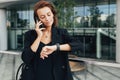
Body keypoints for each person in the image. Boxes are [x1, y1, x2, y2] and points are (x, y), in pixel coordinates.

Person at [21, 0, 83, 80]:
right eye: (42, 17)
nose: (47, 18)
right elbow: (26, 58)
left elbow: (79, 45)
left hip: (58, 77)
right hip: (35, 77)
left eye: (49, 14)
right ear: (38, 20)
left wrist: (55, 47)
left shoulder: (61, 33)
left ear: (53, 14)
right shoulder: (30, 35)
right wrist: (39, 36)